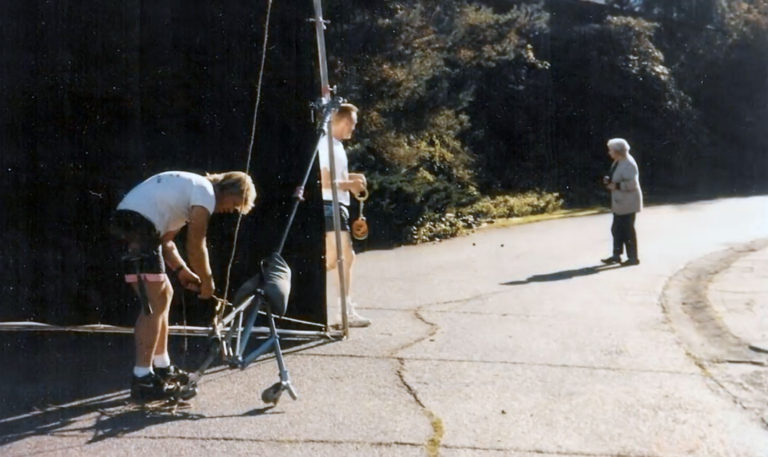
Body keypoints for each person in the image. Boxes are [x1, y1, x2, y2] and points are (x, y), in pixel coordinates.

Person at [111, 170, 256, 401]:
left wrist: (181, 271)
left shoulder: (192, 191)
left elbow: (166, 242)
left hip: (135, 224)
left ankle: (161, 367)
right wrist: (207, 281)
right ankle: (142, 379)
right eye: (235, 204)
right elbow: (196, 245)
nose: (231, 210)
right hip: (136, 226)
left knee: (164, 294)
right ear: (229, 190)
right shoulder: (206, 193)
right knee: (153, 304)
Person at [318, 103, 371, 328]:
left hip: (337, 205)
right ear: (343, 121)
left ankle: (344, 310)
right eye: (352, 123)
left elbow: (336, 176)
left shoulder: (336, 146)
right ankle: (343, 312)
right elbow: (325, 182)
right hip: (330, 205)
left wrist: (354, 178)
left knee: (337, 259)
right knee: (342, 258)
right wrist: (351, 184)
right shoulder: (326, 145)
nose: (353, 128)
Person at [601, 138, 642, 266]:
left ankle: (633, 258)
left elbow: (632, 184)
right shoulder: (618, 161)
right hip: (620, 203)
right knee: (616, 229)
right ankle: (616, 255)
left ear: (618, 151)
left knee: (627, 230)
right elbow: (616, 176)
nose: (609, 153)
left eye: (611, 150)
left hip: (628, 203)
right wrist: (609, 179)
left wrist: (616, 186)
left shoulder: (628, 163)